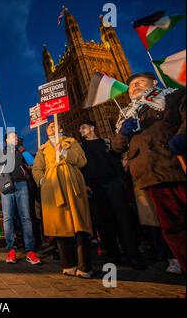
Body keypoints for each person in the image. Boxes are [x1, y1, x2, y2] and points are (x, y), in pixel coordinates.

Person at [112, 72, 186, 272]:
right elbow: (116, 148)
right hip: (151, 176)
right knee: (173, 228)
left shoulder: (172, 96)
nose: (133, 87)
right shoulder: (127, 114)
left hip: (177, 166)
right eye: (130, 86)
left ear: (154, 82)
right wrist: (122, 134)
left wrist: (181, 137)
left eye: (139, 82)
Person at [79, 120, 146, 270]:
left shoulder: (107, 143)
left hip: (113, 184)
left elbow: (117, 159)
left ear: (92, 128)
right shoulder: (81, 147)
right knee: (103, 222)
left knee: (124, 220)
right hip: (95, 187)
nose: (80, 130)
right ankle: (113, 254)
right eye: (80, 128)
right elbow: (80, 167)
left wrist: (121, 177)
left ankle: (133, 255)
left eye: (83, 127)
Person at [32, 121, 93, 278]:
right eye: (49, 126)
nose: (52, 126)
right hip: (52, 187)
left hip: (71, 183)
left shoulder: (72, 142)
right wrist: (42, 181)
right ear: (46, 131)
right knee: (60, 225)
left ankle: (84, 266)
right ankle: (68, 264)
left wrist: (65, 153)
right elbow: (37, 169)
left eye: (55, 124)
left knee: (79, 224)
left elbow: (82, 161)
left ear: (61, 127)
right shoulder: (43, 149)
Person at [0, 132, 41, 265]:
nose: (15, 138)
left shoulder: (20, 151)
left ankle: (30, 250)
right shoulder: (2, 151)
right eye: (12, 136)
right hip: (7, 186)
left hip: (21, 184)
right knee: (8, 218)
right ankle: (11, 249)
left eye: (16, 137)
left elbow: (31, 161)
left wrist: (23, 150)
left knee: (26, 217)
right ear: (6, 139)